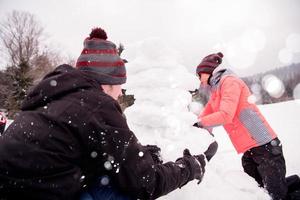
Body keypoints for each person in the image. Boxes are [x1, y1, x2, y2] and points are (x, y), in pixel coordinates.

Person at [0, 27, 217, 200]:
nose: (122, 91)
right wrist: (189, 167)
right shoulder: (96, 105)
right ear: (108, 82)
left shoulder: (56, 99)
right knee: (118, 190)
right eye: (119, 84)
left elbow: (91, 153)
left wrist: (145, 156)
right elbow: (145, 185)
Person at [193, 52, 300, 200]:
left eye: (200, 75)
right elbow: (205, 116)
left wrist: (199, 124)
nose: (198, 79)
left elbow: (225, 115)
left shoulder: (229, 82)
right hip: (250, 151)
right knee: (262, 191)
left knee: (276, 197)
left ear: (209, 70)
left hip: (266, 146)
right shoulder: (216, 92)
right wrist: (191, 125)